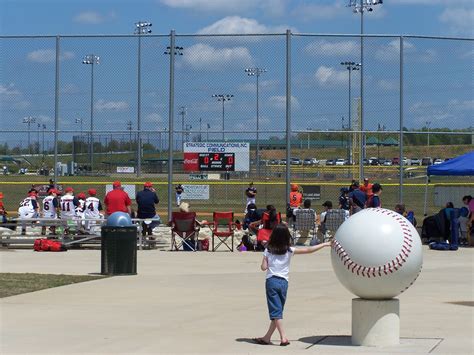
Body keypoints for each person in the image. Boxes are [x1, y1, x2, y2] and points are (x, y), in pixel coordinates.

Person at [253, 224, 332, 346]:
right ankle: (267, 338)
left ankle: (283, 338)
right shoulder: (289, 250)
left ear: (273, 236)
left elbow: (263, 268)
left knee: (276, 312)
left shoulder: (268, 250)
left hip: (272, 281)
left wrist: (266, 261)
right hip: (284, 283)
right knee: (278, 311)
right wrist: (325, 244)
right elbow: (308, 250)